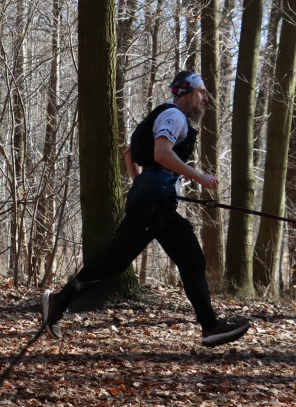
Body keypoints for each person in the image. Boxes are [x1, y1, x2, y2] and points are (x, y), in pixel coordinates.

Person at [41, 71, 251, 348]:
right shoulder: (174, 116)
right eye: (201, 92)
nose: (206, 99)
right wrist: (198, 176)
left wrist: (148, 183)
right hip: (153, 204)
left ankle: (210, 326)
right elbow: (161, 154)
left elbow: (136, 159)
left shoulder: (167, 117)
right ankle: (58, 301)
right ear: (185, 92)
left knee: (192, 259)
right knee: (112, 262)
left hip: (156, 202)